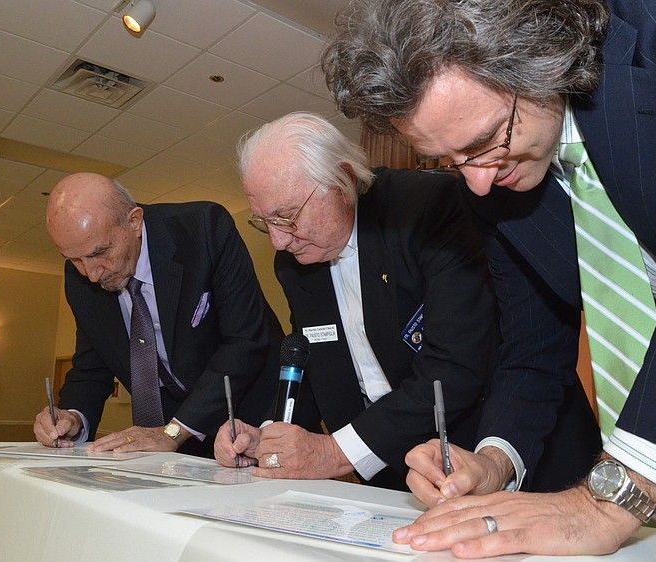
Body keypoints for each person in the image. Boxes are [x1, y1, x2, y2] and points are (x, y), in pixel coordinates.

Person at [322, 0, 656, 559]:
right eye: (448, 161)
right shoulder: (492, 178)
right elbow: (534, 342)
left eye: (484, 141)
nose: (478, 183)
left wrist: (610, 500)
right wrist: (494, 461)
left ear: (538, 60)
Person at [212, 112, 599, 491]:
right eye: (265, 222)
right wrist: (267, 438)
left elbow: (454, 367)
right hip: (406, 475)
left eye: (287, 216)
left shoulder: (428, 209)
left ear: (343, 181)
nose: (278, 241)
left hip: (516, 450)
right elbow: (318, 369)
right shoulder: (294, 264)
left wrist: (335, 451)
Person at [32, 173, 282, 456]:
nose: (91, 274)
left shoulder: (204, 230)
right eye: (75, 259)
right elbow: (91, 367)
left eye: (100, 252)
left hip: (256, 419)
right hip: (172, 441)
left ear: (134, 222)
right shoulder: (78, 281)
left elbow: (244, 342)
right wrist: (72, 419)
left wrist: (174, 431)